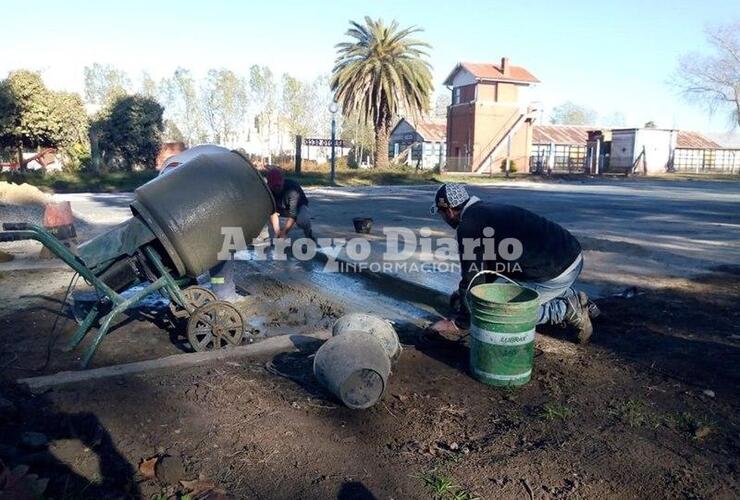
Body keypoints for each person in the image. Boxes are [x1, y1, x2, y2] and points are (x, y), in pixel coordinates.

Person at [430, 183, 598, 343]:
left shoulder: (468, 226)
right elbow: (486, 270)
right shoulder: (485, 210)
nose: (443, 218)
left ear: (449, 211)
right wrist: (468, 296)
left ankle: (566, 310)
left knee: (494, 314)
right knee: (503, 281)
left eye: (441, 213)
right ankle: (568, 294)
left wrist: (460, 323)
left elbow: (472, 275)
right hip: (571, 256)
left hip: (557, 272)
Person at [265, 168, 314, 240]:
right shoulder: (267, 191)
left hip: (298, 207)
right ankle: (262, 237)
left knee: (303, 220)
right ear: (269, 184)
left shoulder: (292, 189)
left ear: (282, 181)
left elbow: (293, 214)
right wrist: (278, 232)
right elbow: (272, 213)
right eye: (274, 186)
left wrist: (284, 232)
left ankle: (308, 234)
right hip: (281, 208)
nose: (276, 188)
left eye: (278, 185)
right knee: (260, 213)